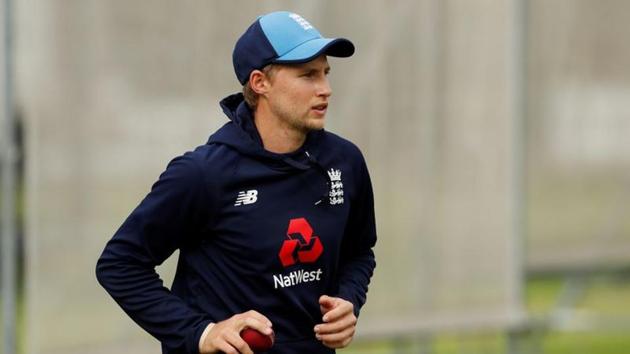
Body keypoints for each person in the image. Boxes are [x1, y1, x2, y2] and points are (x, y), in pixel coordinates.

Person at [96, 10, 376, 354]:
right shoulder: (202, 174)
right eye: (308, 75)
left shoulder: (345, 162)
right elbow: (120, 264)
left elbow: (359, 252)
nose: (326, 89)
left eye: (326, 74)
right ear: (260, 83)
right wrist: (202, 332)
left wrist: (348, 301)